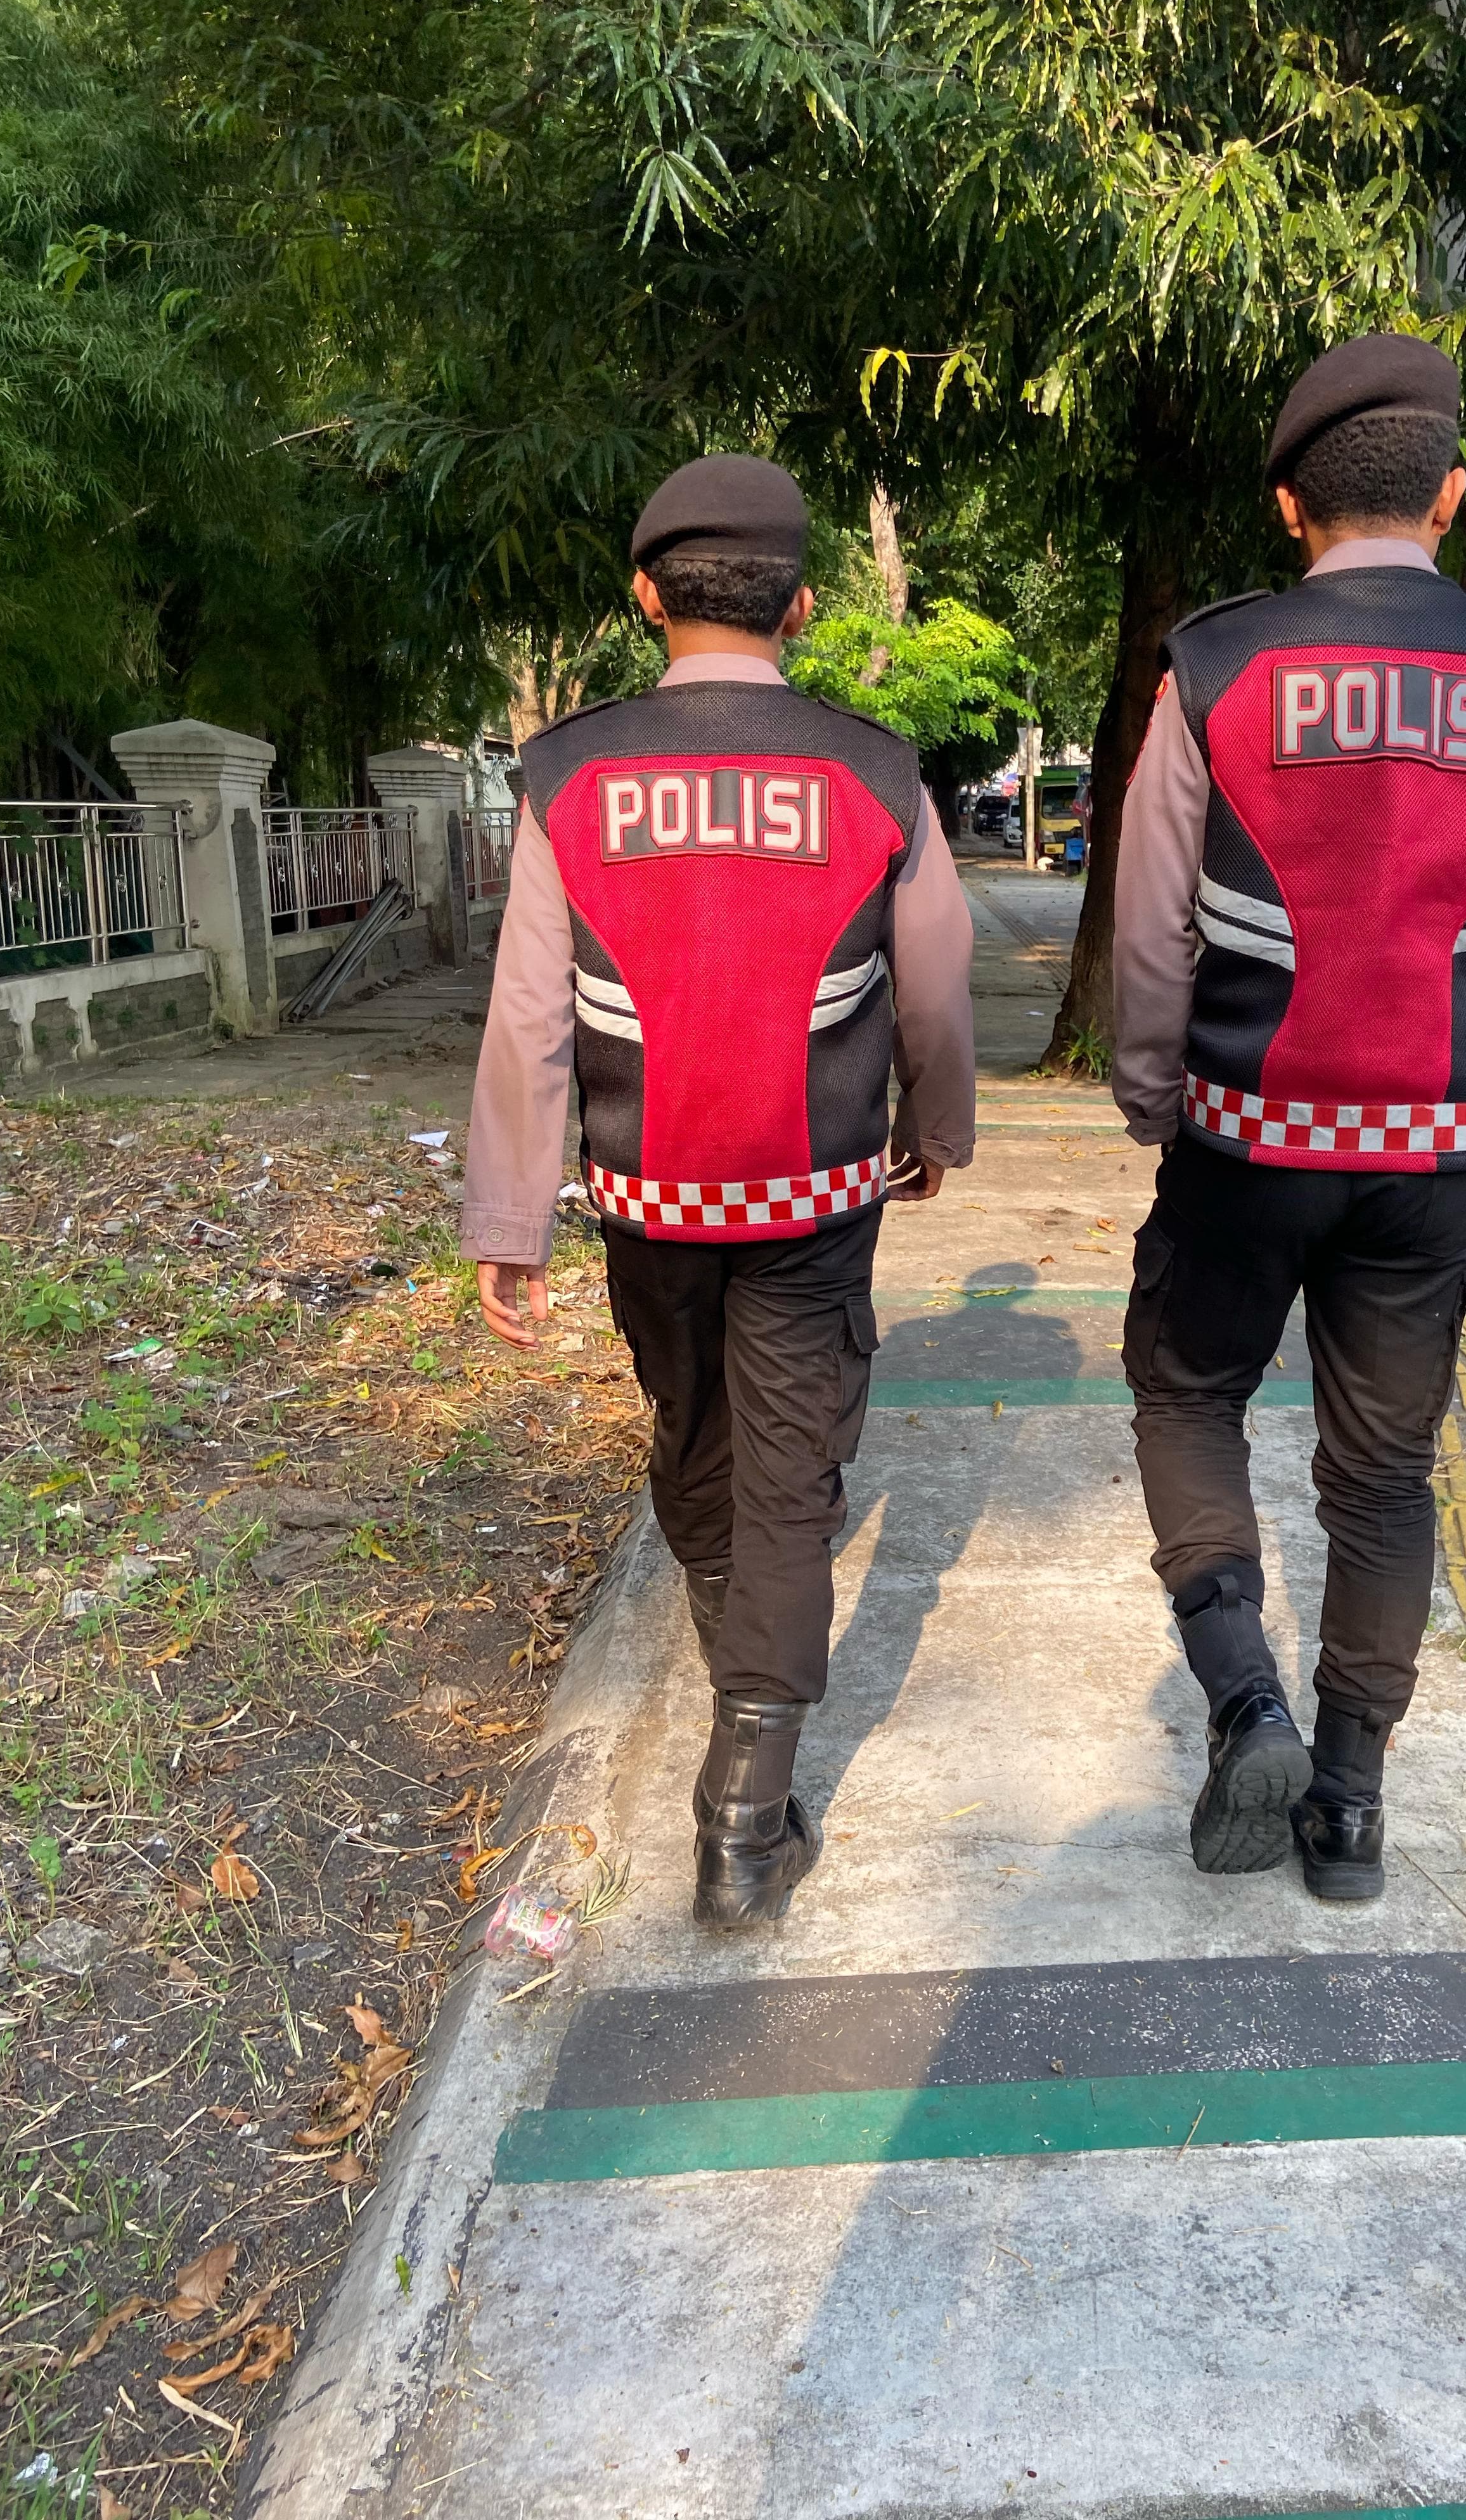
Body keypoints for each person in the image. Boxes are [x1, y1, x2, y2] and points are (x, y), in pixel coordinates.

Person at [461, 455, 975, 1927]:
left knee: (692, 1435)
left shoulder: (568, 775)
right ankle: (746, 1821)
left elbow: (528, 1013)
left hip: (650, 1203)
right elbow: (934, 989)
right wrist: (936, 1123)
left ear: (646, 597)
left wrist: (510, 1218)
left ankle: (735, 1676)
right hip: (816, 1194)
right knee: (791, 1477)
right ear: (801, 606)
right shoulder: (875, 771)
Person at [1114, 336, 1466, 1900]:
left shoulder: (1217, 667)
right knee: (1385, 1478)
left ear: (1287, 504)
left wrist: (1153, 1094)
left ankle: (1242, 1695)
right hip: (1431, 1154)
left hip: (1245, 1134)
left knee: (1188, 1395)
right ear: (1449, 495)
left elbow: (1153, 927)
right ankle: (1351, 1812)